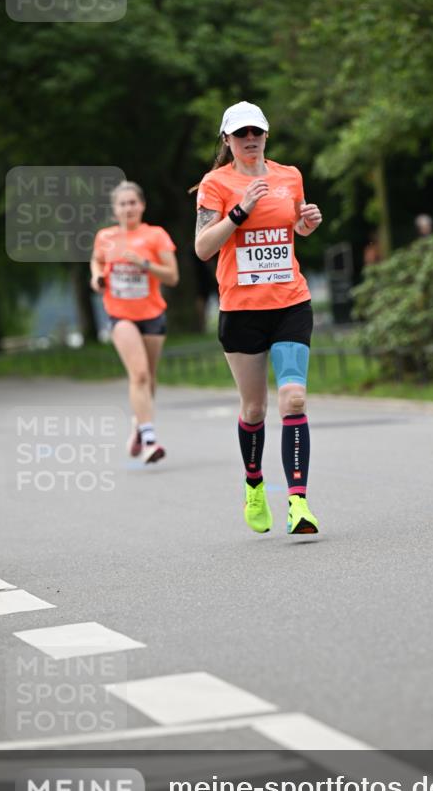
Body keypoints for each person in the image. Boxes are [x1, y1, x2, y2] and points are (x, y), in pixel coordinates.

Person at [192, 101, 322, 535]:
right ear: (226, 140)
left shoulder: (290, 176)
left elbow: (293, 227)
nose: (250, 140)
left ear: (266, 135)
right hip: (242, 311)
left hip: (289, 302)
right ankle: (254, 485)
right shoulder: (216, 183)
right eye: (241, 133)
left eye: (257, 132)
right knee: (254, 408)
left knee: (294, 400)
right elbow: (203, 248)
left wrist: (306, 224)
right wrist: (239, 211)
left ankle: (298, 503)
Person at [90, 181, 179, 464]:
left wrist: (145, 265)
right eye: (122, 204)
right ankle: (151, 441)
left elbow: (172, 277)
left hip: (152, 315)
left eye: (133, 202)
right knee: (138, 375)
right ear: (114, 209)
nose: (128, 208)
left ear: (142, 205)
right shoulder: (105, 237)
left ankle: (138, 426)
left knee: (149, 378)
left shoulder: (156, 235)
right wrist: (96, 278)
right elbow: (96, 262)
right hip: (120, 315)